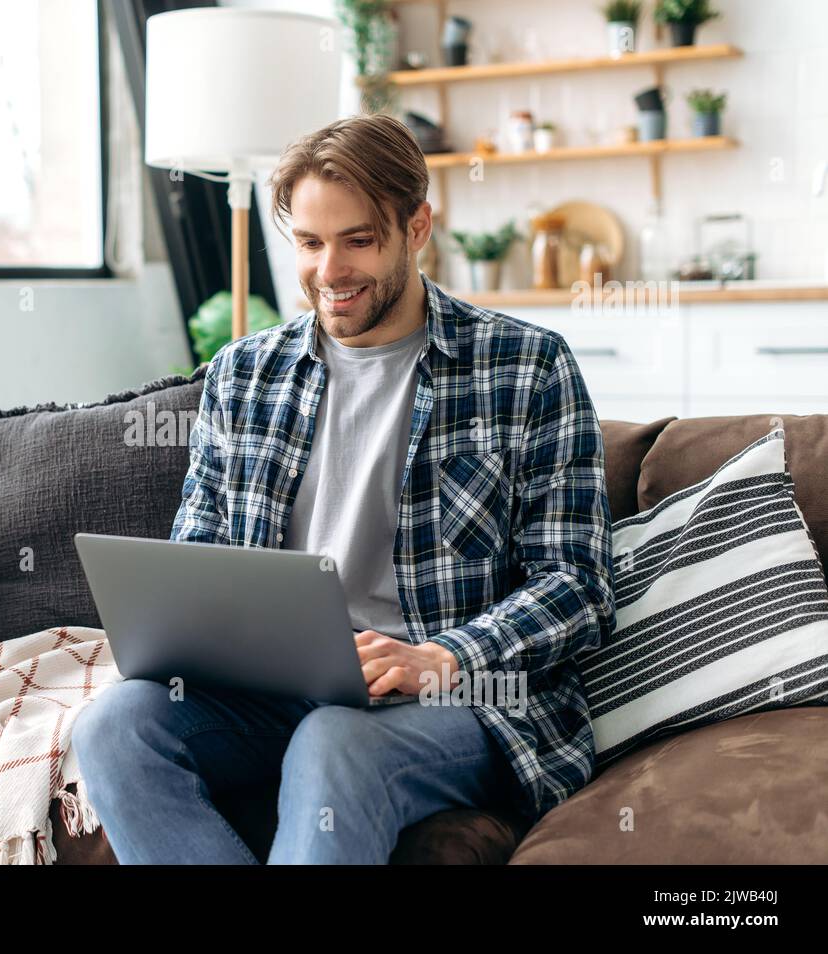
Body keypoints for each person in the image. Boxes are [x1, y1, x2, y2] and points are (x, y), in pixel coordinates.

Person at [71, 113, 616, 864]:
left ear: (416, 226)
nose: (330, 272)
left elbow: (578, 586)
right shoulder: (243, 373)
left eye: (358, 240)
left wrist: (446, 657)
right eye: (309, 242)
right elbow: (199, 543)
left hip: (457, 695)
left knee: (336, 741)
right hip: (275, 687)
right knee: (113, 727)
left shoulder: (527, 367)